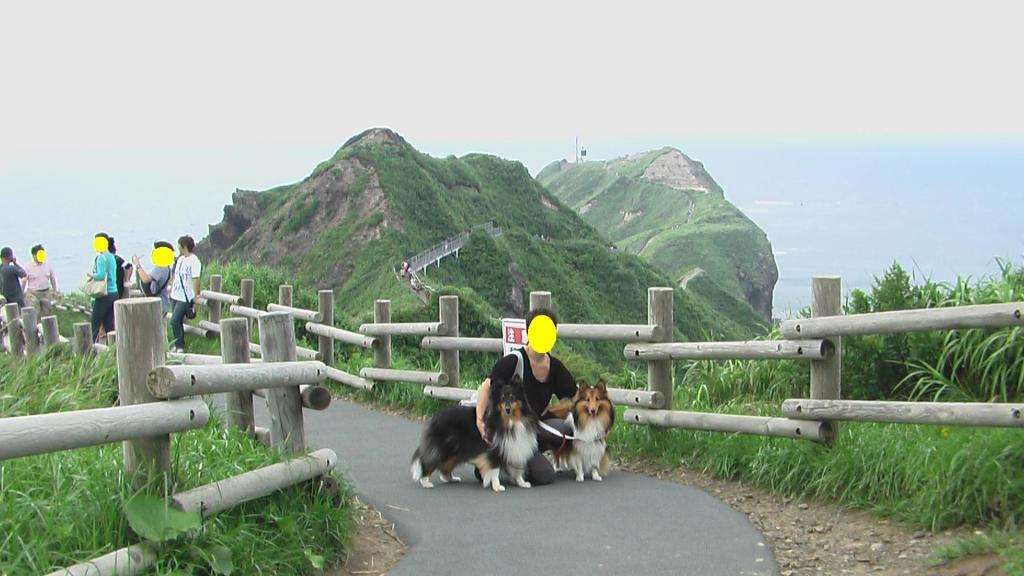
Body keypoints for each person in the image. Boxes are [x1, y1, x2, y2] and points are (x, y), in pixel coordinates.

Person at [474, 307, 576, 485]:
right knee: (545, 475)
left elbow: (575, 395)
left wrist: (593, 421)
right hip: (509, 429)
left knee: (566, 428)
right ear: (529, 332)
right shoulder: (514, 361)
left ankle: (519, 459)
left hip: (532, 426)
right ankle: (498, 460)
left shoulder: (555, 367)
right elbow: (487, 386)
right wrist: (479, 419)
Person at [169, 235, 201, 353]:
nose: (177, 247)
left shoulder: (194, 261)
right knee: (177, 321)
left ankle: (180, 345)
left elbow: (195, 278)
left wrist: (196, 294)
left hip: (185, 297)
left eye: (179, 245)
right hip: (175, 295)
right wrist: (171, 287)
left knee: (174, 320)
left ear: (184, 246)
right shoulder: (180, 259)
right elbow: (175, 275)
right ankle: (177, 344)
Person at [90, 233, 119, 342]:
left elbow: (101, 275)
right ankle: (112, 347)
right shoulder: (111, 256)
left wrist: (91, 275)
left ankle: (90, 348)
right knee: (109, 324)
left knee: (94, 324)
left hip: (103, 294)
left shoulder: (101, 258)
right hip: (114, 292)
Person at [132, 241, 175, 313]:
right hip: (162, 304)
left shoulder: (161, 267)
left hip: (159, 305)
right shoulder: (166, 267)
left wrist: (137, 264)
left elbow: (145, 279)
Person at [23, 244, 59, 317]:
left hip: (46, 292)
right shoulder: (28, 266)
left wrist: (55, 290)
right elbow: (24, 280)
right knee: (34, 313)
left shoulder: (48, 265)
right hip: (32, 293)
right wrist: (21, 292)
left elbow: (52, 278)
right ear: (33, 255)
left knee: (47, 313)